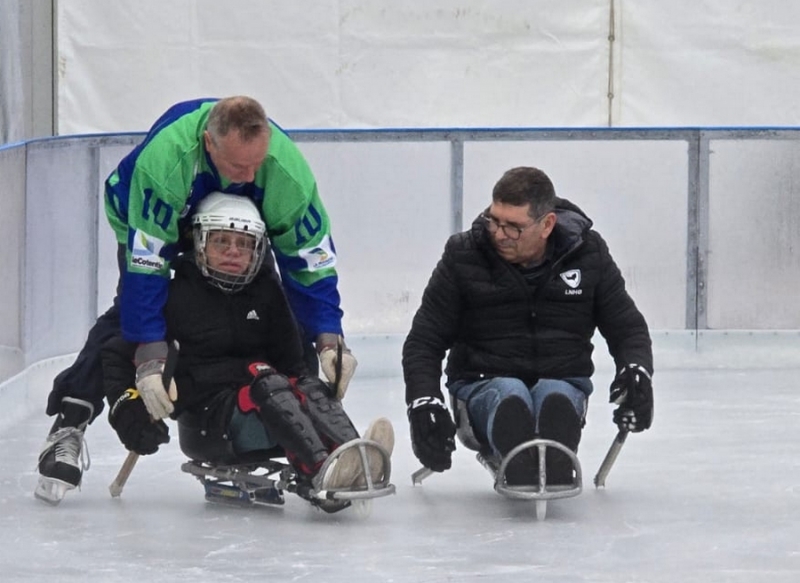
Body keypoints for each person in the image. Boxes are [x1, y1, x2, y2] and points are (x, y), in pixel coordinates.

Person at [35, 96, 358, 503]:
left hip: (231, 220)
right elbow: (146, 268)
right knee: (135, 316)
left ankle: (305, 428)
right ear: (209, 143)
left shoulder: (282, 170)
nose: (251, 174)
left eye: (258, 163)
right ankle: (71, 419)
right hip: (149, 211)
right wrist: (151, 357)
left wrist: (328, 336)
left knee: (274, 305)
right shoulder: (166, 162)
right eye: (240, 166)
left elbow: (308, 258)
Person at [100, 193, 392, 511]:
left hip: (269, 409)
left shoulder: (267, 292)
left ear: (257, 249)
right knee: (267, 380)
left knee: (305, 384)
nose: (233, 252)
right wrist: (128, 412)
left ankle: (353, 453)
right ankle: (323, 474)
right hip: (208, 424)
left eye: (243, 243)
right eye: (221, 242)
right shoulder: (172, 297)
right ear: (200, 244)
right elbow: (115, 353)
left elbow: (294, 365)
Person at [403, 166, 653, 486]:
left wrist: (637, 371)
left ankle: (556, 448)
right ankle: (516, 447)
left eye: (514, 227)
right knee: (510, 393)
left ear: (547, 224)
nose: (499, 233)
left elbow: (627, 327)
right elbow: (425, 339)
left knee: (555, 394)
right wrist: (424, 402)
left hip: (562, 377)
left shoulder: (588, 254)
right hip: (482, 385)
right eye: (495, 220)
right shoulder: (464, 255)